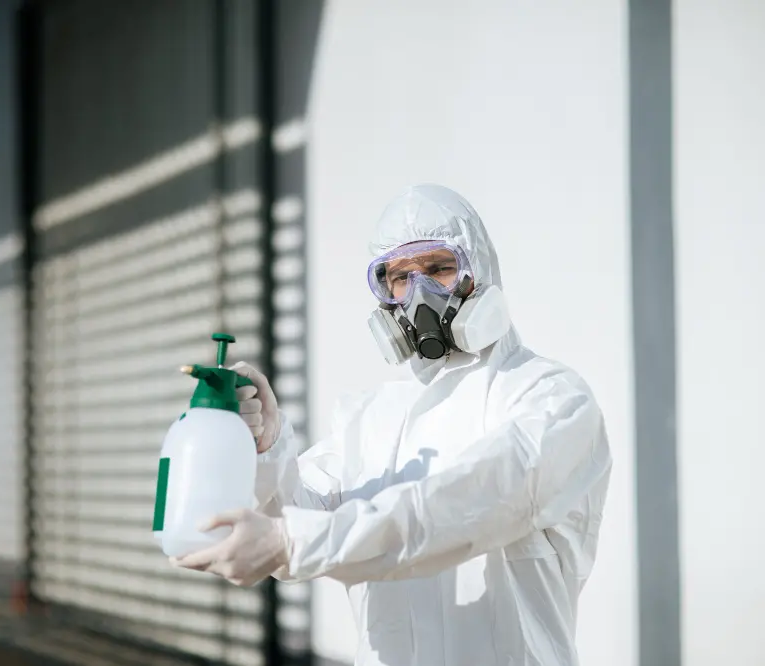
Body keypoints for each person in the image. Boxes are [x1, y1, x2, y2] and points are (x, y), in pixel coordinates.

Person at [172, 184, 612, 666]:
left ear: (478, 273)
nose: (419, 293)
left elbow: (475, 500)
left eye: (439, 269)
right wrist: (267, 445)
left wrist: (292, 543)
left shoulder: (551, 397)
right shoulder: (372, 417)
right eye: (399, 278)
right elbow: (299, 518)